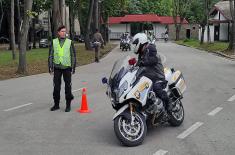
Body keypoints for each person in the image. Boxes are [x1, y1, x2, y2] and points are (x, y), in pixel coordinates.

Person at [132, 33, 170, 111]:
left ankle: (168, 103)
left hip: (157, 76)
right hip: (148, 77)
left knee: (157, 88)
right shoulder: (141, 53)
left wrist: (142, 63)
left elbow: (153, 60)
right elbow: (139, 64)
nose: (134, 46)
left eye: (135, 43)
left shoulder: (150, 48)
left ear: (141, 41)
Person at [48, 25, 77, 112]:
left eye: (65, 31)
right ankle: (56, 105)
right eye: (62, 31)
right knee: (56, 88)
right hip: (57, 68)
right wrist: (50, 67)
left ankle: (68, 105)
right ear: (58, 32)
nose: (64, 33)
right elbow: (51, 55)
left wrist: (73, 67)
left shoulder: (69, 42)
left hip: (67, 68)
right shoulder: (54, 42)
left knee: (68, 87)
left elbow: (73, 56)